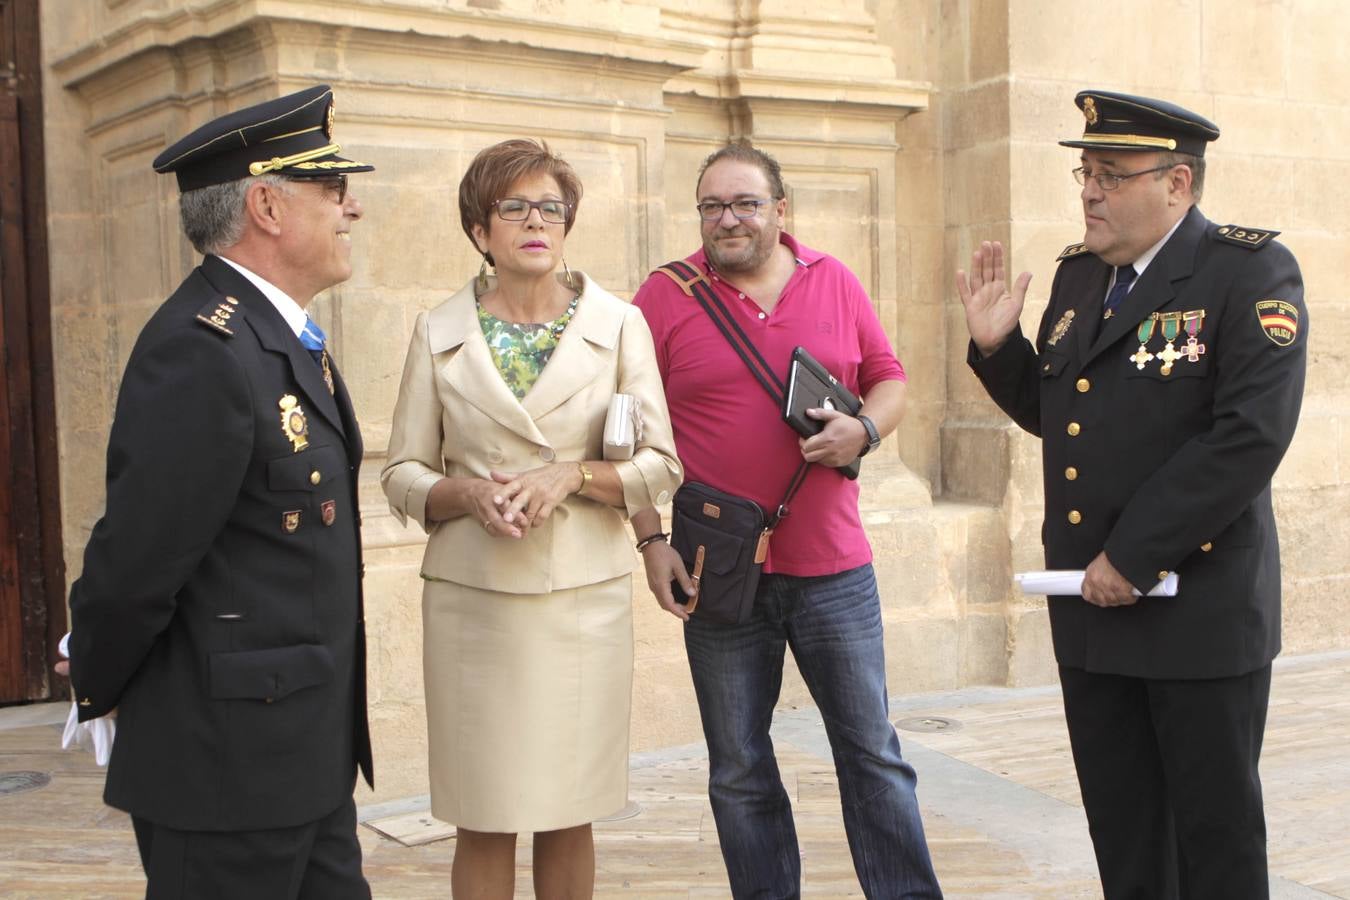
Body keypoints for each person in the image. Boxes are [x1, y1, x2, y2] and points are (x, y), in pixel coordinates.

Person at [958, 90, 1308, 899]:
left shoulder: (1246, 272)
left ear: (1178, 182)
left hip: (1196, 609)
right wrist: (998, 348)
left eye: (1112, 176)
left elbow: (1248, 438)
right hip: (1093, 608)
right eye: (1087, 172)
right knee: (1125, 831)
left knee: (1213, 839)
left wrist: (1134, 554)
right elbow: (1068, 420)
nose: (1089, 192)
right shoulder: (1082, 279)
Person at [64, 85, 376, 899]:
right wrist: (95, 676)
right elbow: (138, 558)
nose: (354, 209)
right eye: (333, 190)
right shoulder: (201, 350)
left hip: (301, 757)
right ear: (267, 205)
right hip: (224, 771)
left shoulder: (277, 336)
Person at [631, 142, 942, 899]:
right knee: (738, 770)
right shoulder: (664, 296)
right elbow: (627, 431)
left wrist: (864, 431)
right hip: (719, 569)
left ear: (781, 209)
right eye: (712, 206)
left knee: (872, 755)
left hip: (834, 568)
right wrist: (650, 539)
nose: (727, 219)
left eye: (744, 203)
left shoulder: (832, 279)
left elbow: (889, 378)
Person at [380, 138, 681, 899]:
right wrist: (467, 496)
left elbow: (662, 466)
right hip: (472, 603)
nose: (535, 221)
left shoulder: (619, 326)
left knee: (566, 810)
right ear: (481, 232)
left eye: (551, 206)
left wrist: (573, 475)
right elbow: (402, 473)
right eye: (513, 207)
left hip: (583, 600)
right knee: (481, 813)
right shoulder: (437, 330)